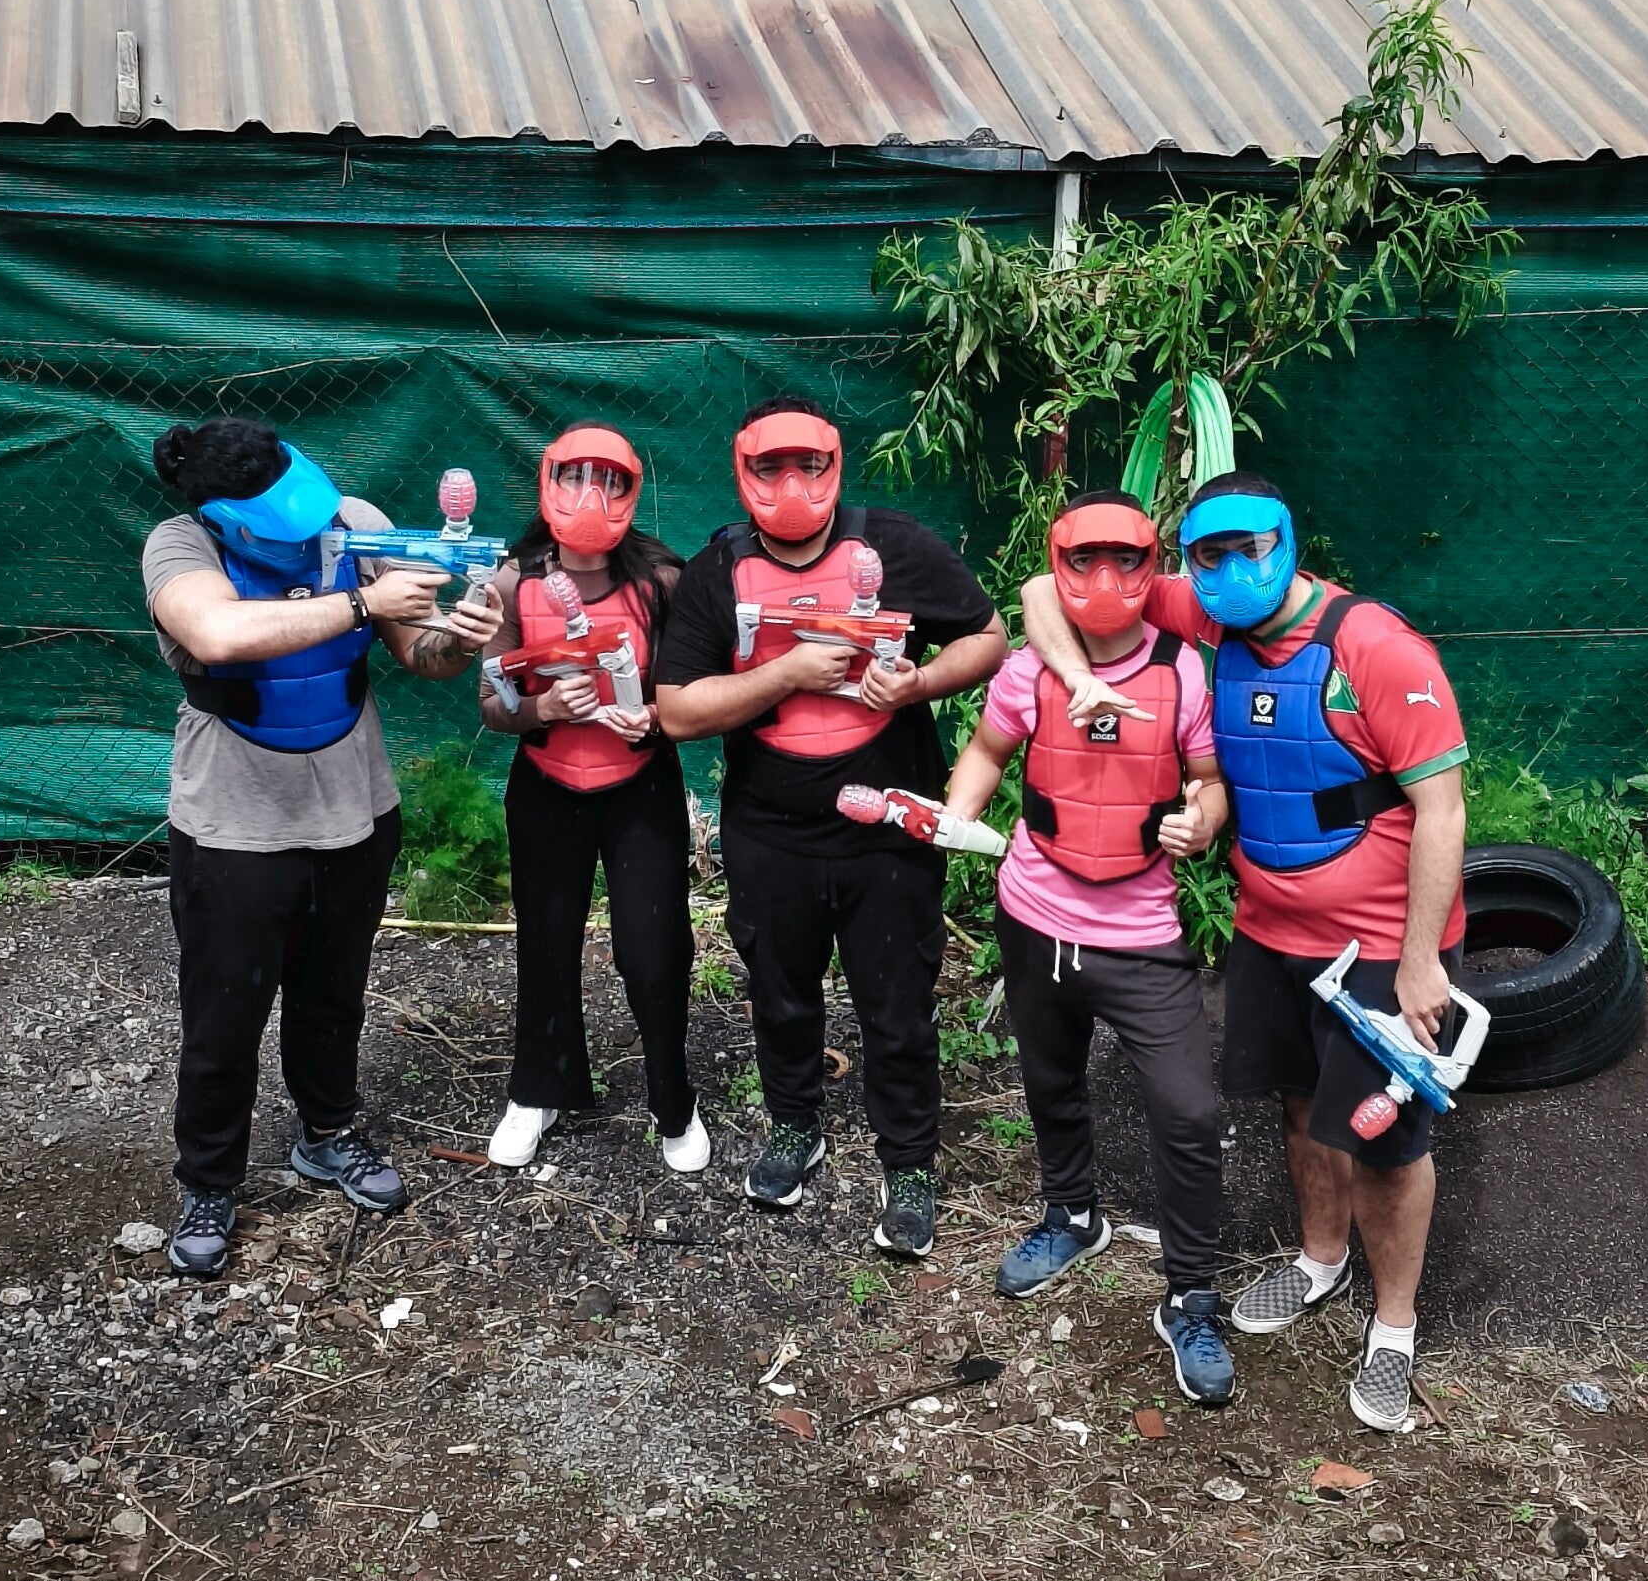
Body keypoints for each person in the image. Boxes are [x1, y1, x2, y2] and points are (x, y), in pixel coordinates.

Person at [1021, 470, 1469, 1433]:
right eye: (1208, 555)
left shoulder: (1374, 646)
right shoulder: (1210, 616)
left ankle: (1394, 1329)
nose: (1229, 570)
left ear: (1288, 540)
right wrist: (1080, 680)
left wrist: (1422, 960)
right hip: (1270, 931)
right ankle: (1318, 1260)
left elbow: (1443, 809)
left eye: (1249, 549)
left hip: (1381, 943)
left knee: (1388, 1142)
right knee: (1300, 1104)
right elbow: (1039, 592)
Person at [144, 419, 500, 1280]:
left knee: (333, 994)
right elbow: (219, 635)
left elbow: (423, 657)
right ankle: (210, 1183)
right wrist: (362, 604)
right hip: (233, 823)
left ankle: (328, 1133)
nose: (313, 531)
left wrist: (462, 633)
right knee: (224, 1019)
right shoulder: (180, 545)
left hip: (354, 807)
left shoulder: (356, 523)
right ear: (227, 517)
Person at [655, 397, 1007, 1259]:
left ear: (834, 463)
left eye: (807, 464)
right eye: (770, 465)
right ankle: (794, 1126)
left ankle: (909, 1164)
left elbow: (988, 637)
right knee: (780, 993)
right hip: (771, 828)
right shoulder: (717, 571)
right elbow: (678, 710)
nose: (791, 482)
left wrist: (919, 684)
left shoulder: (895, 544)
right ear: (743, 469)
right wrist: (786, 673)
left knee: (899, 1005)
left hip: (889, 826)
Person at [942, 492, 1236, 1405]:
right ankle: (1072, 1214)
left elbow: (1209, 780)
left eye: (1125, 559)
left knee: (1189, 1113)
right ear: (1057, 563)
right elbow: (988, 752)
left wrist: (1201, 821)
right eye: (1083, 560)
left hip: (1140, 932)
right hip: (1035, 913)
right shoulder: (1029, 671)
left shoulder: (1184, 670)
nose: (1104, 579)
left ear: (1152, 564)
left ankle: (1190, 1294)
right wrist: (954, 818)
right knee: (1050, 1080)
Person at [476, 423, 706, 1177]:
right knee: (545, 942)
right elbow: (492, 703)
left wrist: (658, 718)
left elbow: (695, 687)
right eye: (576, 476)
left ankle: (673, 1100)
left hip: (641, 786)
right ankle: (537, 1091)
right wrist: (544, 708)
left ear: (632, 490)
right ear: (548, 480)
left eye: (610, 480)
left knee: (654, 950)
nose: (591, 495)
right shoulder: (512, 582)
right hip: (546, 785)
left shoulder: (662, 580)